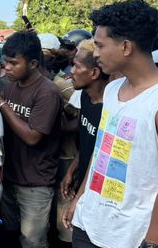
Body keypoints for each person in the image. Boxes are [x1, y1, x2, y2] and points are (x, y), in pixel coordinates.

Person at [63, 0, 158, 248]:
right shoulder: (112, 89)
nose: (96, 53)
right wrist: (80, 199)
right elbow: (100, 151)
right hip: (89, 223)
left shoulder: (155, 102)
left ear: (126, 47)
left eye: (100, 46)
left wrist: (153, 240)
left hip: (130, 236)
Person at [0, 30, 62, 248]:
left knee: (32, 241)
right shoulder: (11, 87)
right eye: (5, 62)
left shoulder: (47, 92)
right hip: (10, 177)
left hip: (35, 183)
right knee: (9, 232)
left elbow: (32, 137)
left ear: (34, 63)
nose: (6, 68)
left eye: (13, 63)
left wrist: (2, 104)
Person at [58, 39, 108, 246]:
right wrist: (72, 169)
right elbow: (90, 143)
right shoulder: (86, 98)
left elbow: (102, 156)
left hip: (98, 194)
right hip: (82, 186)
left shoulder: (109, 108)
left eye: (77, 67)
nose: (71, 72)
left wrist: (79, 198)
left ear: (95, 73)